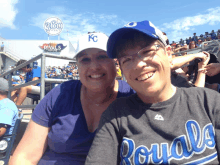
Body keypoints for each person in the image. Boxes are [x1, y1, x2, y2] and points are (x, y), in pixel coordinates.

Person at [85, 20, 220, 164]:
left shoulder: (209, 101)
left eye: (147, 52)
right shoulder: (116, 115)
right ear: (122, 69)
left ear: (168, 54)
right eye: (127, 59)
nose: (139, 64)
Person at [9, 32, 135, 165]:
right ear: (77, 65)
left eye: (102, 57)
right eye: (85, 59)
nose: (94, 67)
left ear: (115, 62)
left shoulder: (132, 97)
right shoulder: (59, 94)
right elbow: (25, 157)